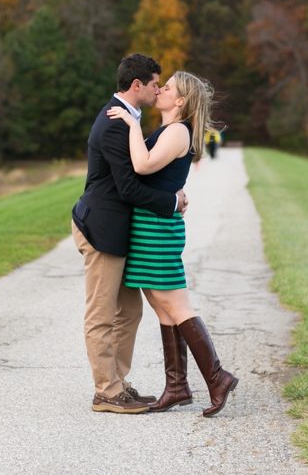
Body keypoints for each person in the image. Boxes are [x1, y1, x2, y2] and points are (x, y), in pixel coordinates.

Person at [107, 71, 238, 417]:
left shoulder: (178, 130)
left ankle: (218, 377)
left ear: (180, 101)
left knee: (176, 305)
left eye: (168, 88)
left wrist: (131, 126)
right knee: (162, 306)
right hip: (151, 224)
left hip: (158, 229)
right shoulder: (170, 130)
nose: (160, 90)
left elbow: (142, 164)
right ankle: (176, 386)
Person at [71, 53, 188, 414]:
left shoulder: (129, 119)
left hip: (117, 230)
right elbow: (127, 188)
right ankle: (106, 391)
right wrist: (172, 201)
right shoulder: (114, 122)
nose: (158, 89)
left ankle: (117, 384)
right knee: (101, 313)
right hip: (102, 229)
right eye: (155, 84)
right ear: (137, 85)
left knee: (130, 310)